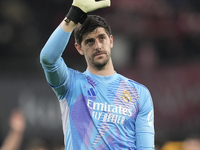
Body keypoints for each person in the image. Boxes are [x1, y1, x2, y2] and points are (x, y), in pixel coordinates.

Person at [40, 0, 155, 149]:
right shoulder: (70, 84)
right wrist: (73, 15)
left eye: (102, 38)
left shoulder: (140, 94)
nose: (98, 46)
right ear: (79, 48)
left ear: (111, 41)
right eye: (89, 42)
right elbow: (48, 58)